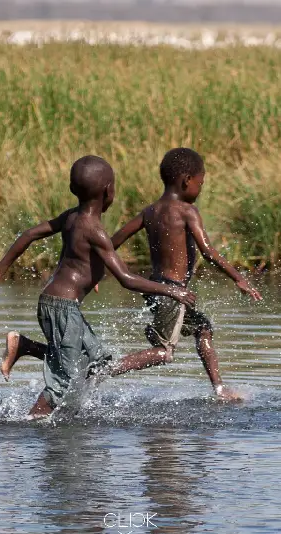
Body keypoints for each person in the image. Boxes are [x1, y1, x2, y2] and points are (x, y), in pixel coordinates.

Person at [0, 155, 196, 419]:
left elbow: (30, 234)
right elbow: (126, 278)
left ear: (73, 189)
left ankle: (24, 346)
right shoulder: (95, 231)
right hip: (62, 308)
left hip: (59, 305)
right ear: (109, 191)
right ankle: (29, 423)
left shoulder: (71, 218)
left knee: (98, 363)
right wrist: (173, 290)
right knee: (63, 379)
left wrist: (0, 269)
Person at [109, 147, 262, 401]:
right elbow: (209, 252)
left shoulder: (150, 211)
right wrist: (238, 278)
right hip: (174, 293)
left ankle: (219, 389)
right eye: (200, 183)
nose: (200, 189)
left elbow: (111, 244)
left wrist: (101, 273)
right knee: (163, 352)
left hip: (157, 288)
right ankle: (103, 371)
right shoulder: (187, 211)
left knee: (203, 328)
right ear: (186, 180)